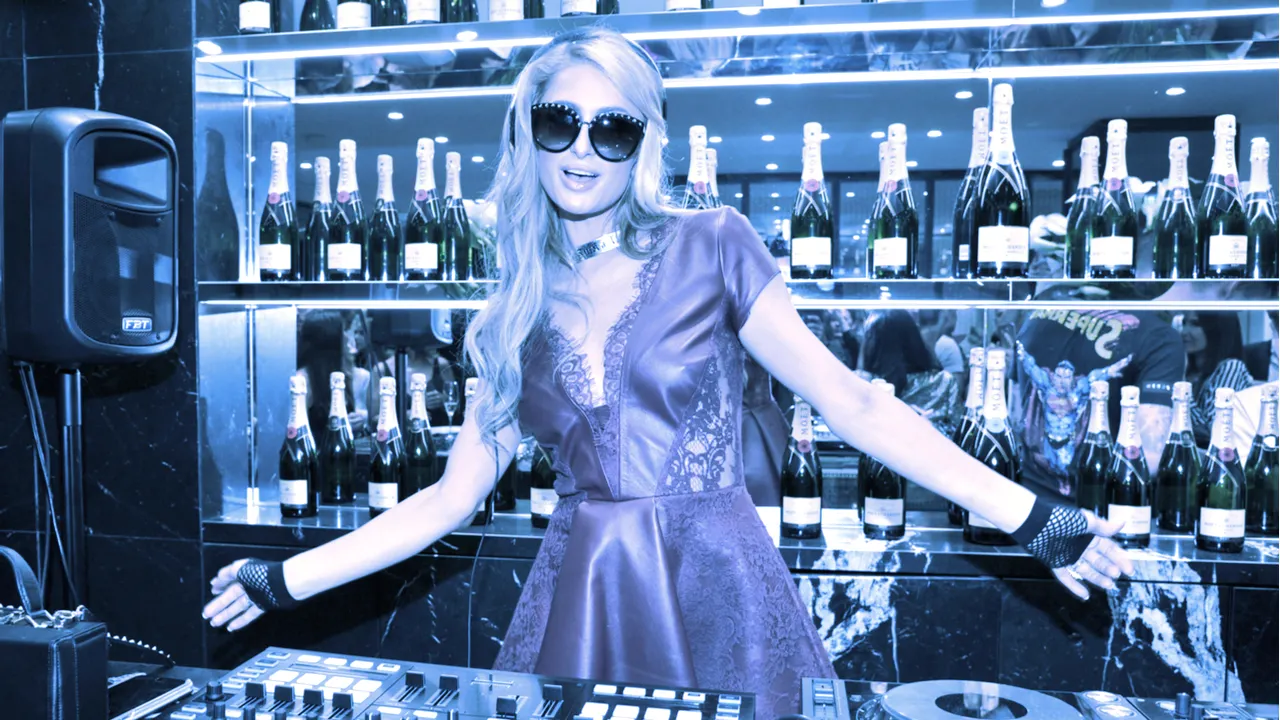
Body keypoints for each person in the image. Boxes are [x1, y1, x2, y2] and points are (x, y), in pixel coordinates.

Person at [203, 28, 1132, 719]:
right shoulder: (515, 305)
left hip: (717, 588)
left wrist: (1033, 516)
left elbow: (851, 401)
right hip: (583, 597)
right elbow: (447, 501)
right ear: (528, 132)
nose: (582, 148)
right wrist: (287, 580)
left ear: (644, 142)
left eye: (611, 129)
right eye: (560, 121)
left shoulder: (713, 244)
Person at [1015, 309, 1184, 500]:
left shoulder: (1035, 313)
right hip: (1098, 507)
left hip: (1026, 502)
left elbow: (1016, 405)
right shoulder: (1159, 337)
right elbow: (1150, 458)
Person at [859, 310, 961, 438]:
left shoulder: (868, 384)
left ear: (872, 345)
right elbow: (958, 431)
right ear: (915, 338)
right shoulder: (944, 381)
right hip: (929, 448)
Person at [1181, 312, 1257, 444]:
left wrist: (1182, 388)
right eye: (1184, 323)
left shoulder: (1231, 367)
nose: (1184, 332)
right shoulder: (1189, 370)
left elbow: (1215, 430)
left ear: (1218, 329)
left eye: (1195, 324)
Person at [918, 309, 965, 375]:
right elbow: (957, 380)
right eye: (952, 312)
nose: (956, 317)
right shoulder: (947, 343)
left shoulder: (917, 336)